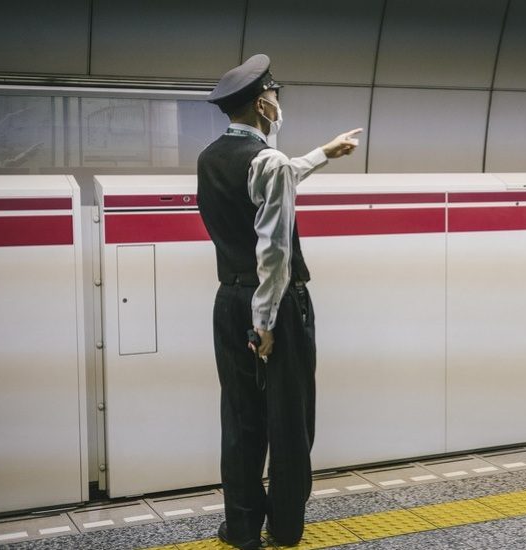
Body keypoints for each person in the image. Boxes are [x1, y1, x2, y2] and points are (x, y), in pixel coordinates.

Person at [197, 53, 362, 549]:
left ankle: (243, 529)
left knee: (241, 419)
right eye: (274, 96)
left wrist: (323, 154)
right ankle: (286, 527)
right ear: (262, 106)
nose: (277, 103)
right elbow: (274, 250)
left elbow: (277, 180)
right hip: (274, 306)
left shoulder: (210, 158)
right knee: (289, 419)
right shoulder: (267, 161)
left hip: (228, 300)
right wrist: (265, 324)